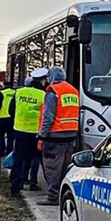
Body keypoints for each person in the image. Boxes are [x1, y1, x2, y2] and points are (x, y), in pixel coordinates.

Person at [38, 65, 83, 207]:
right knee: (64, 167)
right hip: (71, 135)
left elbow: (48, 117)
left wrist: (41, 135)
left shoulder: (53, 92)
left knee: (51, 168)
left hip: (54, 136)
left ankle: (52, 197)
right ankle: (64, 195)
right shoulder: (73, 91)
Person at [8, 69, 49, 195]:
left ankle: (16, 186)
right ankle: (33, 182)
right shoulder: (43, 95)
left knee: (19, 158)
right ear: (42, 81)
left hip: (20, 130)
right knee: (35, 158)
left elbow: (11, 110)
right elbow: (46, 114)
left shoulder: (19, 92)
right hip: (36, 132)